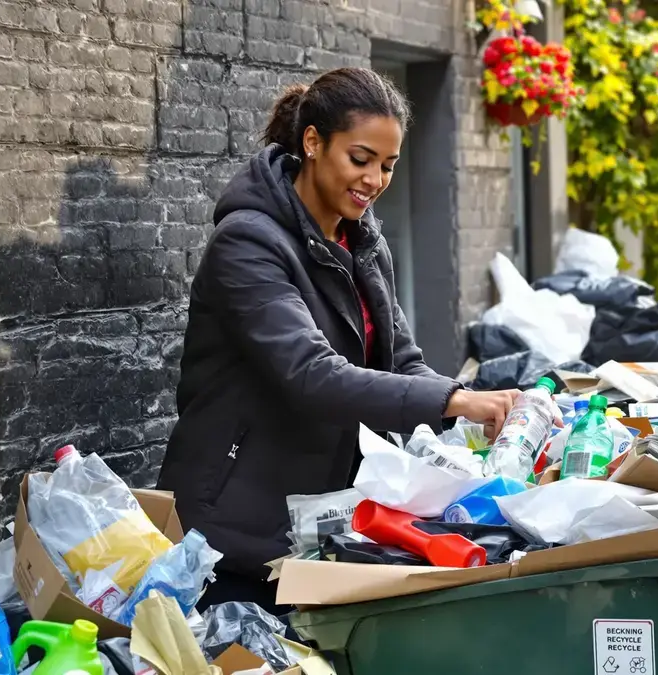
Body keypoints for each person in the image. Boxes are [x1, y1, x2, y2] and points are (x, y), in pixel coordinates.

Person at [156, 67, 521, 616]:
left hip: (320, 523)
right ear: (312, 143)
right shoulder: (248, 244)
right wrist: (453, 400)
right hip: (233, 530)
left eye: (389, 166)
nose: (374, 179)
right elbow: (310, 373)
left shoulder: (365, 245)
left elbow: (402, 362)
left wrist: (476, 407)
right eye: (361, 159)